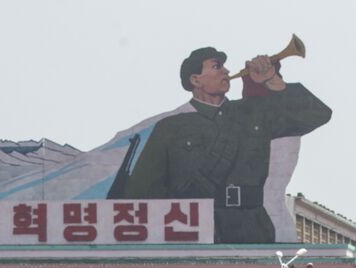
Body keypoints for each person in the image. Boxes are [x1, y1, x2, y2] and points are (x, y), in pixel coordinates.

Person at [121, 46, 332, 244]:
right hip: (193, 229)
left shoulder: (253, 113)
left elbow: (318, 115)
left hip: (251, 224)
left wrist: (272, 80)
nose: (226, 71)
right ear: (196, 79)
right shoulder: (170, 128)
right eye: (216, 66)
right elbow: (140, 192)